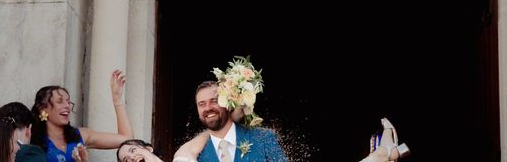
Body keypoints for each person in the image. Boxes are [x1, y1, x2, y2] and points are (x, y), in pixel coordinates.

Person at [174, 81, 409, 162]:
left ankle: (380, 154)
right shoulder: (198, 152)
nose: (208, 108)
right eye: (201, 104)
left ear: (228, 102)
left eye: (214, 100)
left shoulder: (263, 138)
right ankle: (382, 154)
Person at [30, 70, 132, 162]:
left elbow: (126, 139)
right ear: (43, 109)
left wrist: (117, 99)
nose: (67, 106)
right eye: (59, 101)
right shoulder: (33, 140)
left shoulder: (80, 135)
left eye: (68, 102)